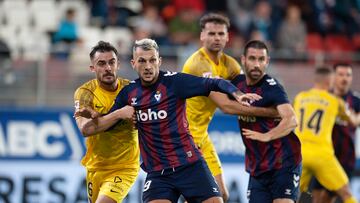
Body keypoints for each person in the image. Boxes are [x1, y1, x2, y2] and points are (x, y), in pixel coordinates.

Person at [76, 38, 262, 203]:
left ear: (159, 61)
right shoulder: (129, 93)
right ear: (133, 63)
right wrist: (98, 117)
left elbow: (214, 82)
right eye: (142, 61)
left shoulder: (175, 82)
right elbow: (108, 122)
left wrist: (238, 94)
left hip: (190, 165)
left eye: (152, 60)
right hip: (159, 174)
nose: (148, 66)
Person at [182, 13, 278, 202]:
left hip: (201, 136)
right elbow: (226, 105)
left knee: (221, 194)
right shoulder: (198, 64)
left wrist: (276, 98)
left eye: (220, 33)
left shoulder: (230, 65)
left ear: (227, 37)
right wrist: (270, 113)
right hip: (184, 137)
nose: (216, 38)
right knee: (204, 196)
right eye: (211, 33)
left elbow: (250, 88)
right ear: (202, 36)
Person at [231, 40, 302, 203]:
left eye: (261, 59)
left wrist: (268, 135)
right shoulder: (237, 84)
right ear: (243, 60)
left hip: (284, 162)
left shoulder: (272, 88)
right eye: (252, 59)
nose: (257, 64)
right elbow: (222, 101)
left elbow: (291, 119)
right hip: (258, 166)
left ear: (267, 61)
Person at [73, 41, 140, 203]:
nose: (108, 68)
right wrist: (118, 114)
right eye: (101, 64)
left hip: (125, 166)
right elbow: (85, 130)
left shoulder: (131, 90)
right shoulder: (85, 93)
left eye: (112, 62)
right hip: (95, 167)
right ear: (92, 68)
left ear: (118, 65)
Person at [293, 66, 359, 203]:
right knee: (346, 193)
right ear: (330, 82)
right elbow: (353, 121)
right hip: (323, 154)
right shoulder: (335, 101)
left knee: (290, 195)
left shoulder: (299, 98)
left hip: (300, 154)